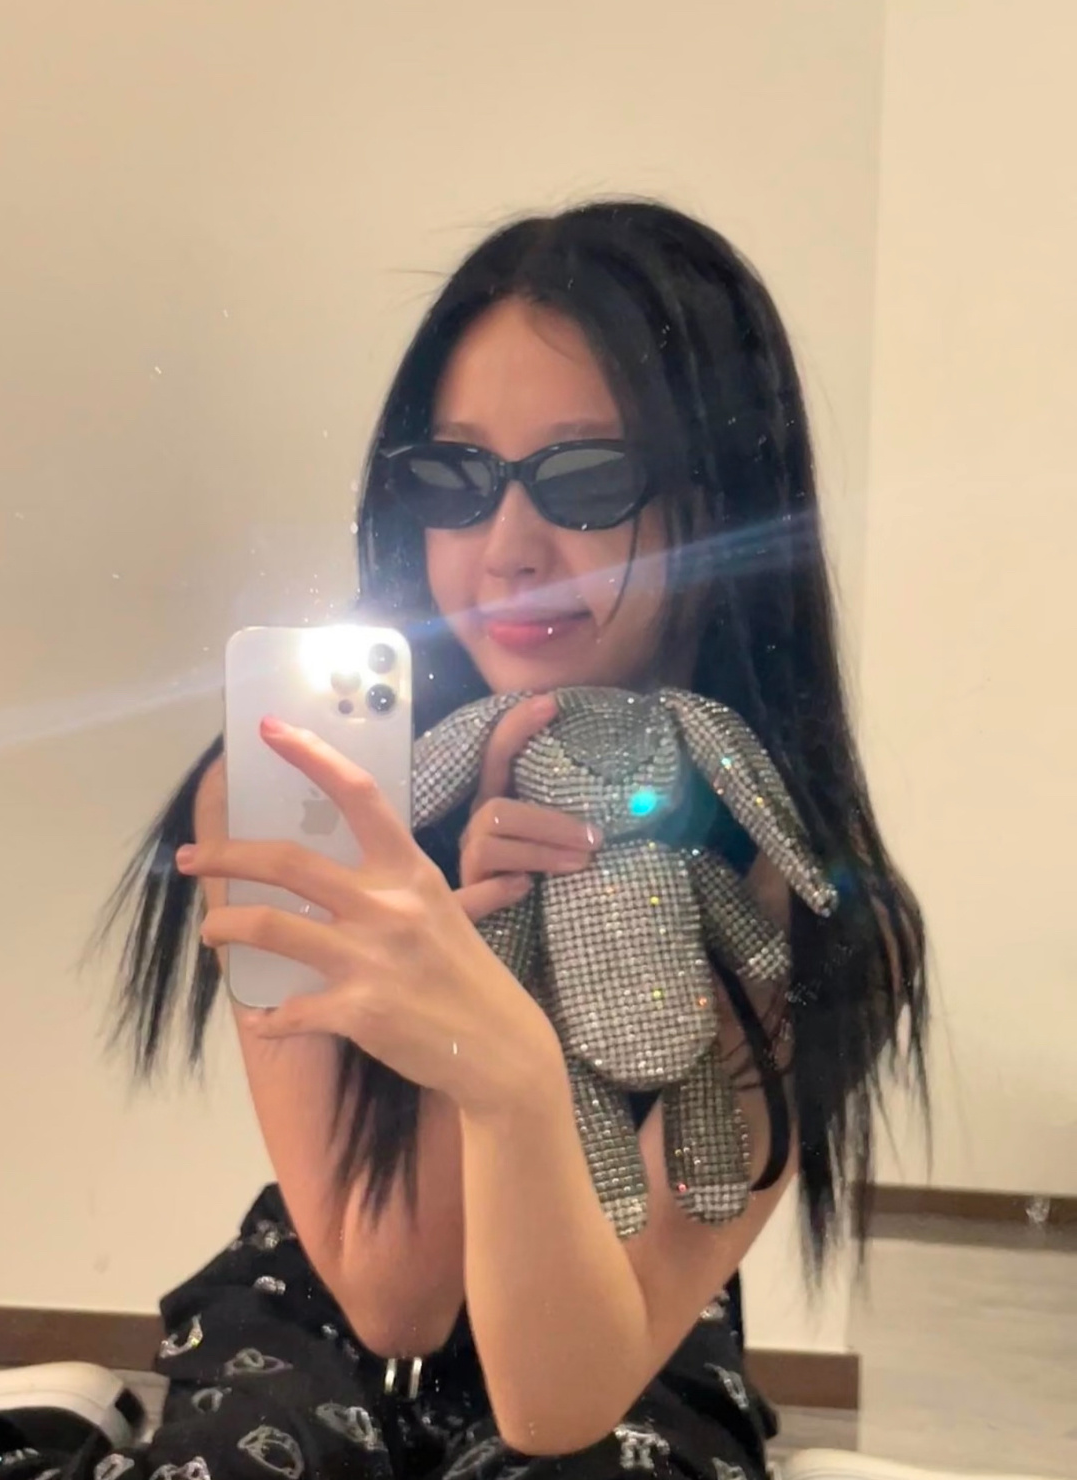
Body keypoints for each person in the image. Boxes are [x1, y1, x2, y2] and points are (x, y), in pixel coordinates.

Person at [104, 200, 929, 1480]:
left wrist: (515, 1062)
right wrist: (475, 960)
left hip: (618, 1317)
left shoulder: (804, 901)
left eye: (588, 482)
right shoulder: (296, 795)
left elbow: (560, 1398)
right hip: (313, 1309)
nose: (506, 553)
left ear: (727, 508)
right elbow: (395, 1295)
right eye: (456, 480)